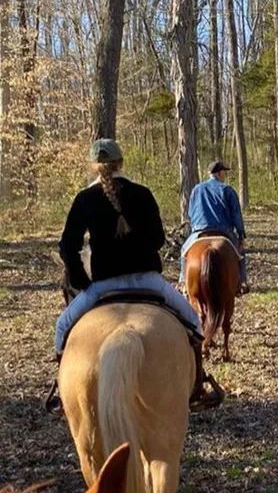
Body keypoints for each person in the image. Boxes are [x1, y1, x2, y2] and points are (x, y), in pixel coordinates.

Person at [52, 139, 217, 411]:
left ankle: (63, 394)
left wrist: (83, 282)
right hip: (148, 282)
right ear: (121, 162)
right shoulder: (142, 193)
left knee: (62, 329)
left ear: (95, 166)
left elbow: (67, 246)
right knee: (193, 323)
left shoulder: (84, 199)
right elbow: (158, 240)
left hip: (104, 285)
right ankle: (197, 388)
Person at [180, 160, 249, 294]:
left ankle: (183, 282)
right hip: (223, 231)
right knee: (240, 253)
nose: (225, 175)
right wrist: (241, 234)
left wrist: (197, 225)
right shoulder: (227, 190)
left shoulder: (197, 189)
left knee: (184, 252)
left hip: (200, 230)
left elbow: (191, 212)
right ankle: (241, 282)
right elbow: (236, 215)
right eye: (224, 172)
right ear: (219, 173)